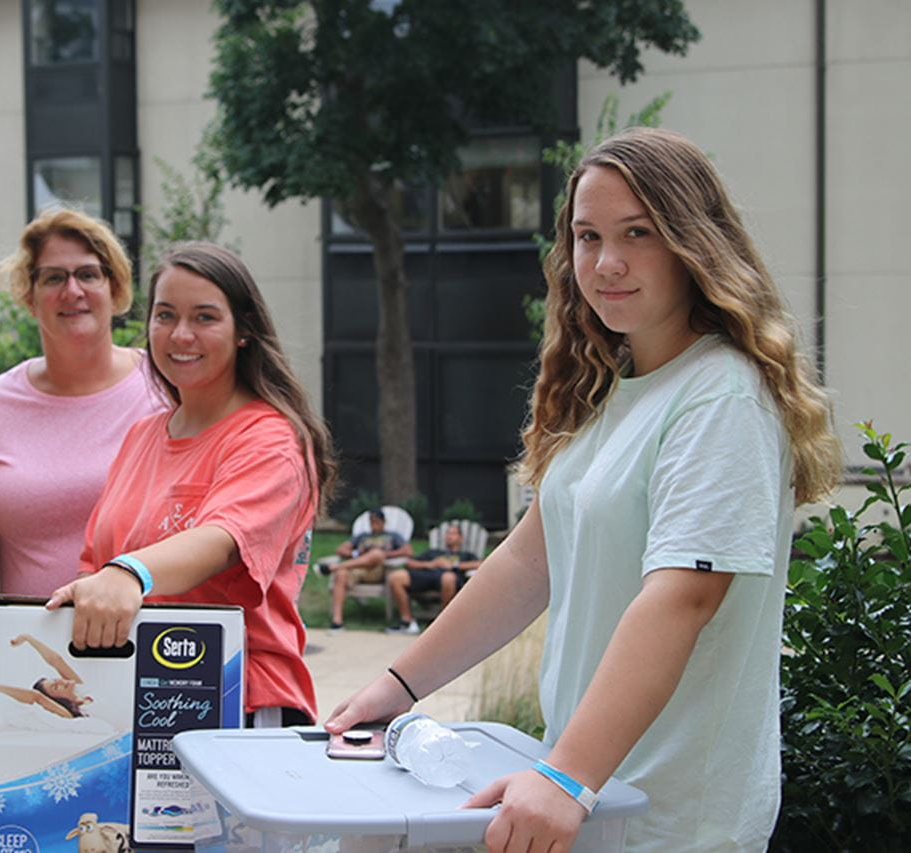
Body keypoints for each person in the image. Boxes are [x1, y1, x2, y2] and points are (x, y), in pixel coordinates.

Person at [326, 127, 842, 852]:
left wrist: (567, 775)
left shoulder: (721, 396)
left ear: (695, 242)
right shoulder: (615, 392)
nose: (606, 262)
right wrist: (397, 685)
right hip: (592, 800)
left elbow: (683, 596)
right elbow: (526, 564)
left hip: (668, 822)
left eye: (639, 233)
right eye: (586, 235)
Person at [46, 242, 338, 728]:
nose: (181, 335)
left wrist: (127, 574)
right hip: (139, 697)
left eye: (205, 317)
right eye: (165, 316)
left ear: (243, 330)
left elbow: (223, 540)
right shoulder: (143, 435)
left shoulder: (270, 440)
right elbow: (94, 563)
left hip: (238, 701)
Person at [0, 209, 166, 597]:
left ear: (115, 287)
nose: (72, 291)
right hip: (28, 645)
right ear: (29, 296)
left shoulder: (164, 389)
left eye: (88, 274)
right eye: (54, 277)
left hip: (153, 644)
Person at [384, 523, 481, 635]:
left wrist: (454, 565)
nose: (449, 536)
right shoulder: (433, 552)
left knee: (448, 578)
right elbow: (409, 562)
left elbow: (480, 564)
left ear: (461, 538)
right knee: (396, 577)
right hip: (427, 575)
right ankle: (407, 622)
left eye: (453, 534)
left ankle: (445, 623)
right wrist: (430, 564)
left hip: (449, 579)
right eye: (447, 533)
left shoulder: (466, 555)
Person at [325, 509, 412, 632]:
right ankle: (337, 622)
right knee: (341, 574)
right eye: (371, 521)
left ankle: (335, 567)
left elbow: (408, 551)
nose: (373, 524)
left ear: (384, 522)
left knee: (376, 554)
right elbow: (340, 550)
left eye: (376, 521)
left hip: (378, 570)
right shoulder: (362, 536)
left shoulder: (393, 536)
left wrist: (385, 554)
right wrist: (356, 553)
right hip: (357, 569)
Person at [0, 633, 94, 718]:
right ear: (60, 700)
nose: (61, 681)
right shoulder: (69, 715)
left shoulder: (81, 690)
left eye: (56, 680)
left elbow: (56, 661)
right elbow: (36, 697)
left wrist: (28, 638)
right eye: (56, 687)